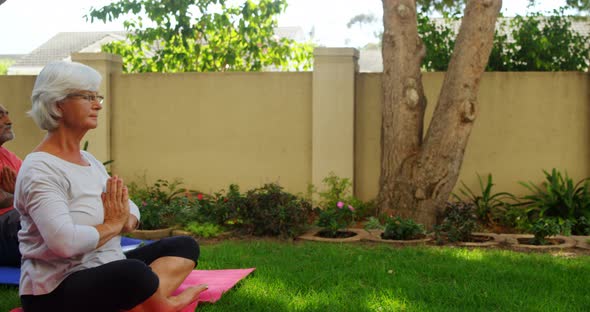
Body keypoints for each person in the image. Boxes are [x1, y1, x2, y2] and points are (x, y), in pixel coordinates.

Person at [15, 61, 207, 312]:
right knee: (134, 274)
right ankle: (162, 306)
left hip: (106, 264)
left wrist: (127, 221)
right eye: (87, 97)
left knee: (183, 245)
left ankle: (138, 304)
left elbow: (129, 206)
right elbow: (64, 243)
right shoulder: (40, 169)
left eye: (98, 97)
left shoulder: (90, 161)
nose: (97, 105)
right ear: (57, 104)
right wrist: (112, 225)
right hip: (57, 289)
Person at [0, 103, 23, 267]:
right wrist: (19, 193)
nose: (9, 121)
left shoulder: (7, 156)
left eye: (6, 114)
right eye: (0, 116)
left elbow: (33, 187)